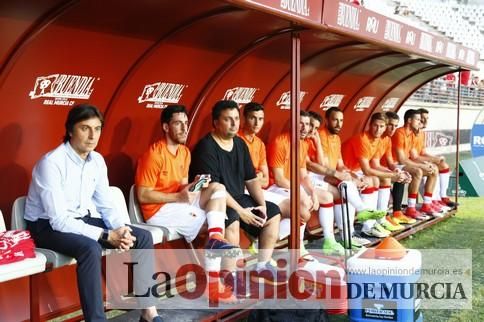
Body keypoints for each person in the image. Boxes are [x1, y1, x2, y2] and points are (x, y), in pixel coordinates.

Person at [24, 104, 162, 322]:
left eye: (97, 129)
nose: (92, 136)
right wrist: (107, 236)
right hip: (46, 226)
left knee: (142, 236)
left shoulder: (96, 160)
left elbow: (106, 203)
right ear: (70, 130)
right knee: (90, 247)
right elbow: (59, 220)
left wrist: (121, 229)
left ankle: (148, 312)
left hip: (81, 219)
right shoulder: (51, 163)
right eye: (85, 128)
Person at [135, 104, 239, 303]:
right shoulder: (154, 154)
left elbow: (183, 189)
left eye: (186, 123)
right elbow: (143, 195)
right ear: (166, 127)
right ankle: (213, 285)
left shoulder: (184, 152)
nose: (184, 128)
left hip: (178, 204)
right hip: (157, 211)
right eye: (178, 124)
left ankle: (215, 240)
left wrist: (196, 184)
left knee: (218, 188)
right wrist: (179, 198)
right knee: (214, 223)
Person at [189, 100, 283, 285]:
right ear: (216, 122)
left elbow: (252, 179)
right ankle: (228, 276)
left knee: (273, 213)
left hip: (237, 197)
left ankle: (262, 267)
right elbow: (213, 188)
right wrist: (242, 212)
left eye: (236, 119)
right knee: (232, 220)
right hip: (215, 202)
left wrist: (262, 205)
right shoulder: (206, 147)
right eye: (228, 119)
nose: (234, 124)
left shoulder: (240, 144)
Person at [267, 111, 344, 256]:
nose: (304, 127)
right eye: (300, 123)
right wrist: (302, 193)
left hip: (291, 186)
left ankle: (324, 241)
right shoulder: (280, 141)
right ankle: (275, 244)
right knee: (303, 204)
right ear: (293, 124)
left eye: (307, 124)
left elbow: (303, 174)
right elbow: (279, 179)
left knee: (323, 198)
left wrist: (313, 193)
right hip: (276, 187)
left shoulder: (302, 143)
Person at [306, 108, 387, 240]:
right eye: (335, 120)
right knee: (345, 189)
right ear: (327, 120)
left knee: (354, 184)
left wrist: (352, 176)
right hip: (317, 175)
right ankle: (358, 220)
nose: (338, 124)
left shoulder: (336, 138)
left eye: (341, 120)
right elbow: (322, 166)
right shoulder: (319, 134)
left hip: (327, 174)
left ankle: (354, 232)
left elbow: (341, 165)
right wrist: (343, 176)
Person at [342, 113, 410, 236]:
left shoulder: (380, 139)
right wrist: (392, 175)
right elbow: (367, 170)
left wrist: (396, 172)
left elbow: (375, 164)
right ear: (370, 125)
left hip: (356, 171)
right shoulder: (362, 139)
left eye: (381, 126)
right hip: (345, 171)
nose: (378, 129)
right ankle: (368, 226)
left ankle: (379, 220)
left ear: (385, 127)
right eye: (375, 126)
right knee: (372, 179)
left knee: (381, 179)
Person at [392, 109, 439, 218]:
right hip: (394, 164)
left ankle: (427, 204)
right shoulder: (400, 133)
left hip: (402, 163)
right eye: (417, 119)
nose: (420, 122)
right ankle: (411, 207)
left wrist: (427, 164)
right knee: (418, 171)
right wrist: (421, 166)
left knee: (434, 169)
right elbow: (401, 159)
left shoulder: (412, 134)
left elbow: (415, 156)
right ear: (409, 120)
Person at [376, 112, 418, 225]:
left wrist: (399, 171)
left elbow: (391, 163)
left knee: (401, 175)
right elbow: (373, 165)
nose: (393, 128)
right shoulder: (376, 138)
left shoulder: (387, 140)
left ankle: (397, 213)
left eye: (395, 125)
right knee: (389, 179)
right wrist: (392, 173)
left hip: (382, 169)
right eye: (390, 125)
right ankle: (382, 217)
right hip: (370, 171)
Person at [413, 108, 456, 209]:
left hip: (417, 160)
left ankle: (442, 197)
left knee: (443, 165)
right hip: (411, 162)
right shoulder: (412, 133)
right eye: (423, 119)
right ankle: (432, 200)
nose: (425, 121)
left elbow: (422, 152)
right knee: (432, 168)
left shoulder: (422, 133)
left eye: (427, 118)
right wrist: (431, 161)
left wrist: (436, 158)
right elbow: (413, 156)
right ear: (417, 119)